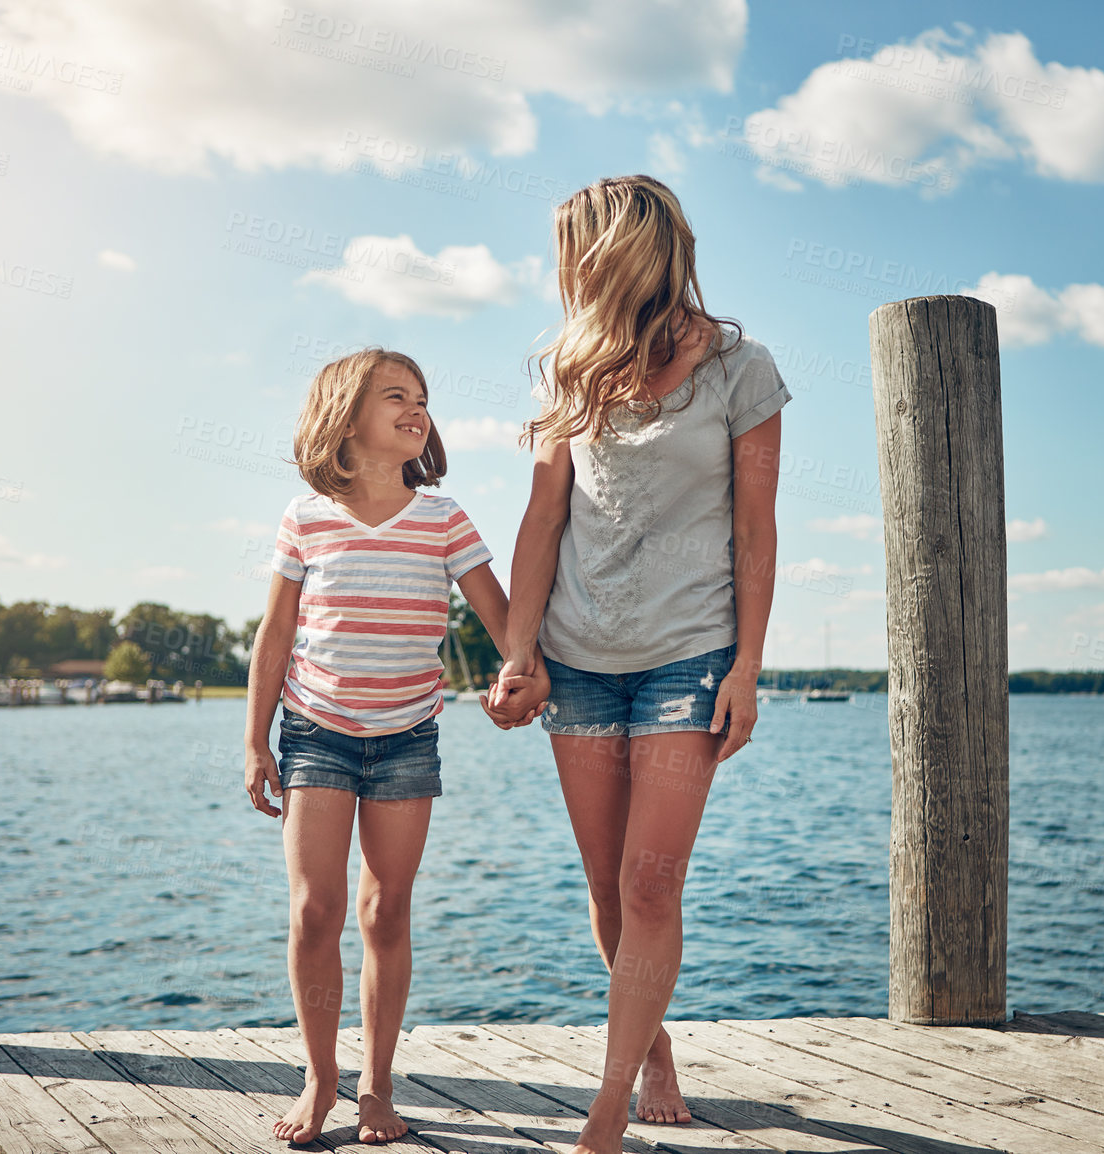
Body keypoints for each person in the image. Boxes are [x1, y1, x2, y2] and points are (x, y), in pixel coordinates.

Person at [485, 174, 790, 1154]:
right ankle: (648, 1048)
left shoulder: (741, 369)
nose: (564, 268)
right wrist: (518, 650)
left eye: (574, 246)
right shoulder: (569, 372)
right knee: (606, 886)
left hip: (687, 656)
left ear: (620, 251)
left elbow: (754, 527)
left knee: (651, 882)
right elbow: (543, 521)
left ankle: (606, 1110)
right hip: (577, 659)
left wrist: (747, 664)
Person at [244, 348, 550, 1145]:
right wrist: (254, 742)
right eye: (396, 397)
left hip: (408, 736)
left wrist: (524, 671)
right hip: (314, 732)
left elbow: (501, 615)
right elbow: (275, 635)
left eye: (422, 397)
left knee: (385, 911)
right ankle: (320, 1079)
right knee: (316, 910)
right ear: (347, 417)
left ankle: (377, 1088)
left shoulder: (443, 516)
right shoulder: (305, 514)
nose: (417, 409)